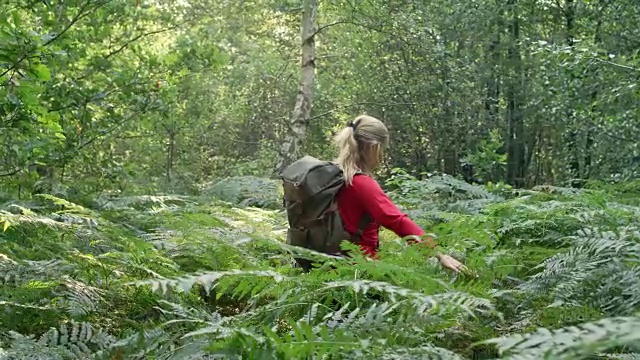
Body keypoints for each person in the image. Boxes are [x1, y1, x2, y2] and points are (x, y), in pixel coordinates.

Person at [334, 115, 467, 273]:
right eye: (382, 149)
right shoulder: (361, 183)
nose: (382, 156)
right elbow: (397, 221)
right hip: (361, 270)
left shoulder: (334, 176)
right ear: (374, 148)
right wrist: (439, 254)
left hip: (333, 263)